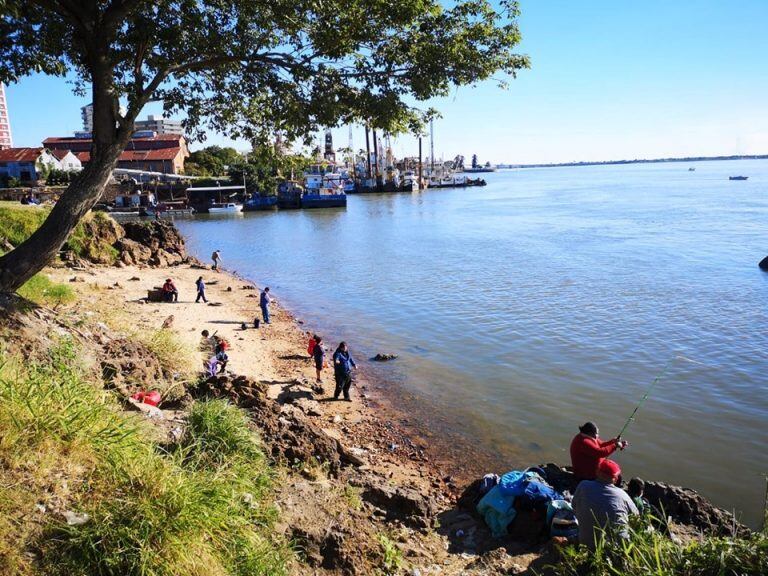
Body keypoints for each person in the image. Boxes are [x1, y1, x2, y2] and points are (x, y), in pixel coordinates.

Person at [572, 459, 639, 550]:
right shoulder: (623, 495)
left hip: (584, 543)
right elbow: (636, 518)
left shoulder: (583, 485)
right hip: (616, 549)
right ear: (615, 479)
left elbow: (574, 506)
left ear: (597, 472)